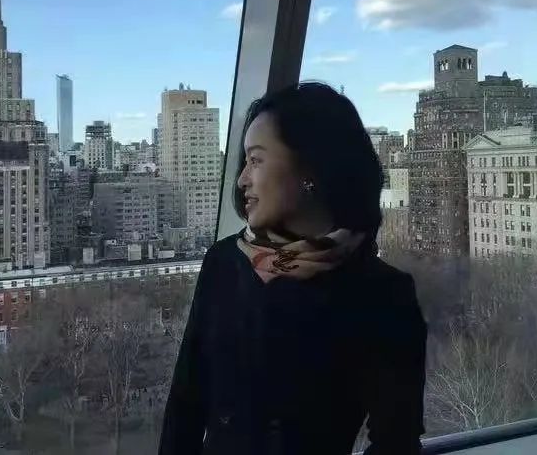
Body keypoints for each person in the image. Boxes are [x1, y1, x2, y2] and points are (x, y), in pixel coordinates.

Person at [159, 82, 427, 455]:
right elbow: (185, 407)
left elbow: (397, 441)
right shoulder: (224, 264)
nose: (242, 180)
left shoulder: (383, 295)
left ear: (310, 170)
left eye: (256, 160)